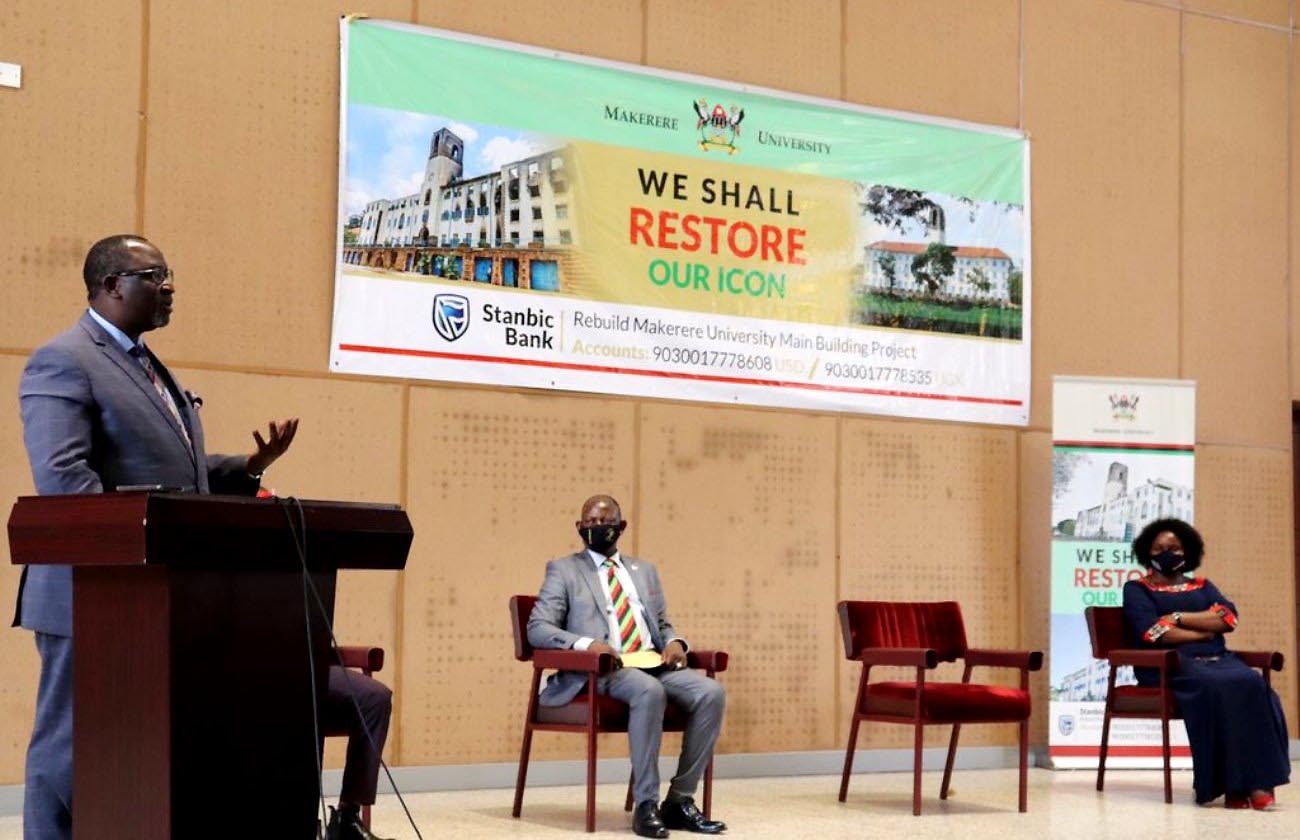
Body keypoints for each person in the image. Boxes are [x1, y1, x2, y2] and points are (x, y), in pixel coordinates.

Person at [13, 234, 383, 840]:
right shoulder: (65, 359)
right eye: (155, 275)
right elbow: (64, 484)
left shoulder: (145, 364)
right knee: (71, 746)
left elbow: (174, 477)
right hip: (90, 595)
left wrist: (247, 469)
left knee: (135, 753)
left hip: (157, 597)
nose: (170, 287)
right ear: (111, 286)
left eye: (170, 274)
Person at [528, 495, 727, 837]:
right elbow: (539, 627)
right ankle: (646, 803)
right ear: (579, 528)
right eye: (589, 522)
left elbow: (661, 623)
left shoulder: (643, 571)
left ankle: (679, 800)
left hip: (652, 662)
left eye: (604, 522)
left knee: (711, 692)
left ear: (620, 528)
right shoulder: (564, 570)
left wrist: (675, 642)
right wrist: (588, 645)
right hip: (602, 670)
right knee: (646, 690)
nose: (596, 527)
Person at [1121, 518, 1290, 809]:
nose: (1166, 553)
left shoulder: (1203, 585)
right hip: (1169, 666)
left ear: (1188, 551)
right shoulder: (1137, 589)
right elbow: (1154, 632)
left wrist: (1177, 617)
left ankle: (1256, 782)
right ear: (1146, 552)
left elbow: (1228, 618)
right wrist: (1203, 630)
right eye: (1159, 548)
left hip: (1219, 660)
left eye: (1174, 548)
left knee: (1253, 684)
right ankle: (1230, 785)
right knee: (1221, 686)